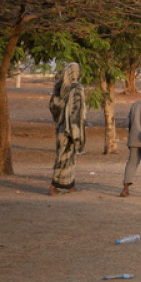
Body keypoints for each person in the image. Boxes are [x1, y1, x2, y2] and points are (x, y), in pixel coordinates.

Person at [48, 63, 87, 195]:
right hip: (69, 129)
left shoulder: (60, 89)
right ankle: (53, 187)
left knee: (68, 158)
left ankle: (71, 186)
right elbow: (75, 113)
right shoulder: (76, 88)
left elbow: (53, 106)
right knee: (64, 158)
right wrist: (76, 134)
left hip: (60, 128)